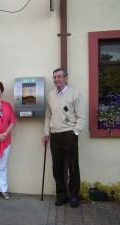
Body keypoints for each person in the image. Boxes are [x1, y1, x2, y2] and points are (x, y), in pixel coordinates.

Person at [42, 68, 85, 208]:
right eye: (54, 77)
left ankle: (74, 196)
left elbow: (81, 116)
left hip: (69, 134)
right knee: (57, 168)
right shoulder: (50, 95)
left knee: (73, 167)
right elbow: (48, 116)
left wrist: (76, 132)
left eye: (59, 77)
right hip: (55, 135)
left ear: (66, 78)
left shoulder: (74, 94)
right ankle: (62, 195)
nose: (56, 79)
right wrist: (46, 133)